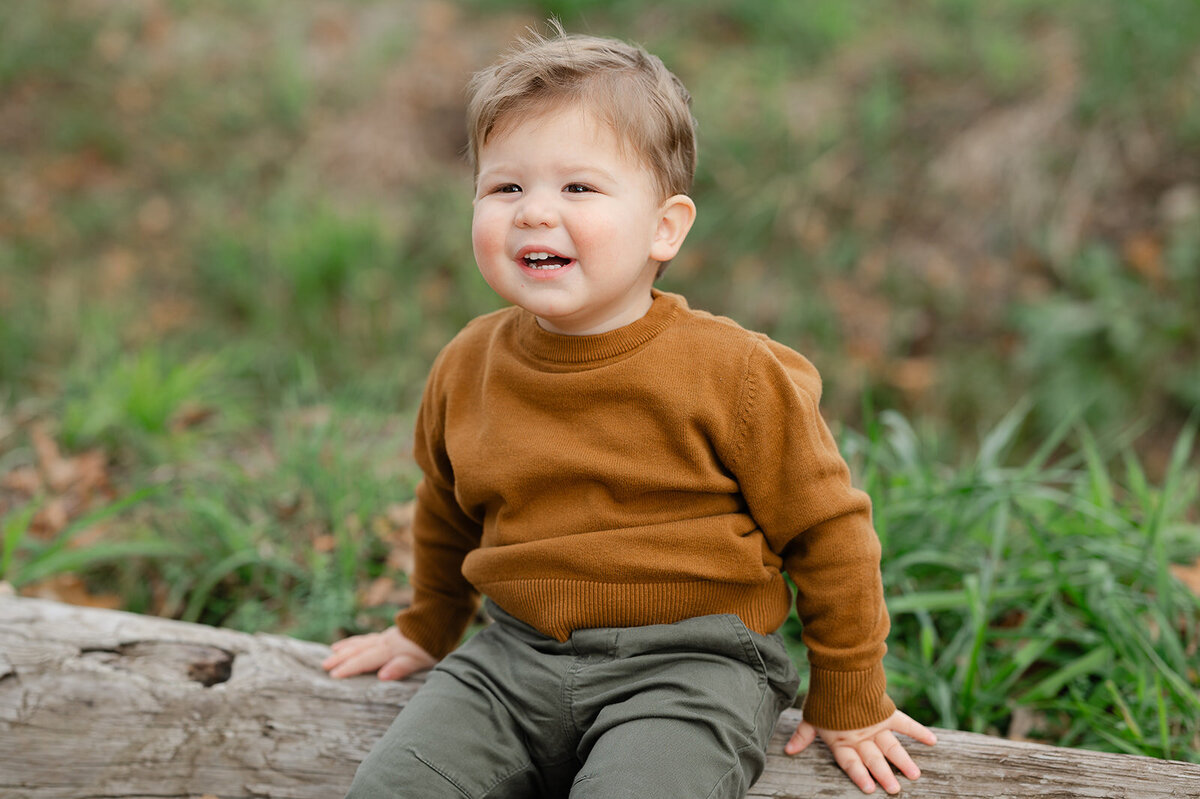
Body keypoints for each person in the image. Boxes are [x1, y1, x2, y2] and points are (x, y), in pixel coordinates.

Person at [322, 23, 937, 798]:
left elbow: (828, 530)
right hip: (511, 659)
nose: (535, 212)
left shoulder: (733, 372)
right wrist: (425, 628)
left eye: (578, 187)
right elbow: (447, 510)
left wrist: (850, 692)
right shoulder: (467, 364)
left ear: (664, 226)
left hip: (693, 667)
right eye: (506, 187)